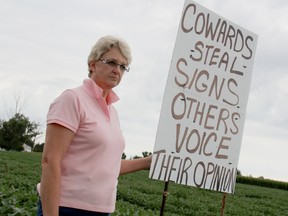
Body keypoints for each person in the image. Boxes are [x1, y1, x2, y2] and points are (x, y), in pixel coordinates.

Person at [36, 35, 152, 216]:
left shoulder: (113, 112)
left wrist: (148, 162)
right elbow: (50, 161)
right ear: (92, 64)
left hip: (101, 211)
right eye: (112, 62)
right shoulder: (73, 99)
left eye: (123, 66)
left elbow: (107, 165)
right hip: (67, 208)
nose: (117, 70)